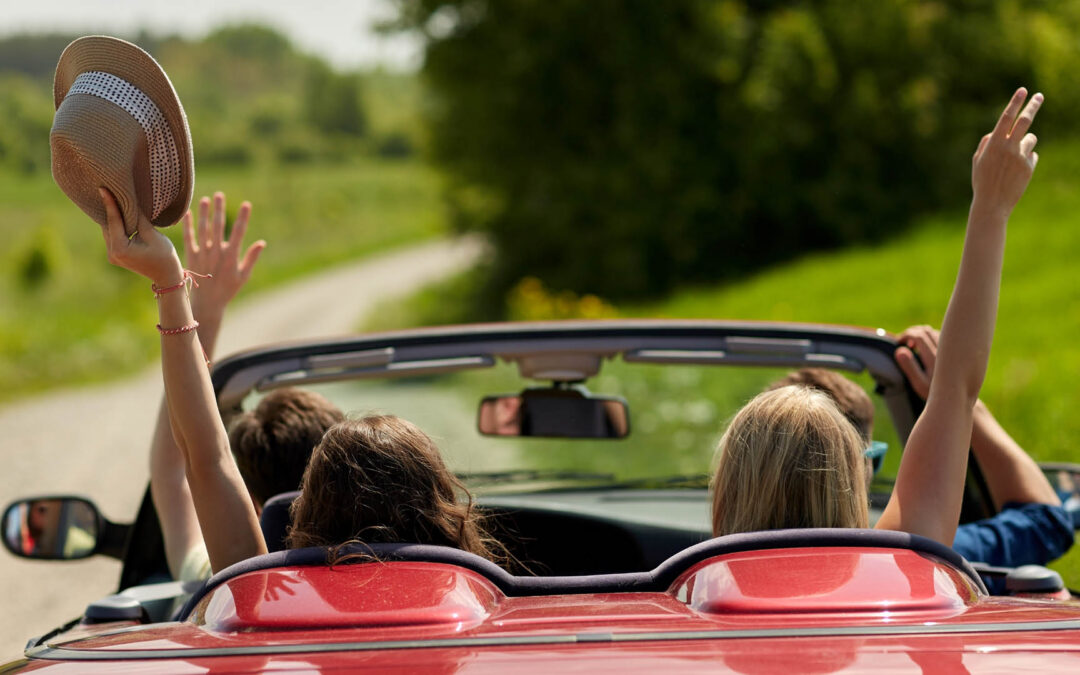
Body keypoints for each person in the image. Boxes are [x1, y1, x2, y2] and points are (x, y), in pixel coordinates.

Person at [100, 191, 502, 576]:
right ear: (444, 508)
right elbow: (204, 458)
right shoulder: (495, 605)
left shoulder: (257, 590)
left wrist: (176, 287)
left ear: (304, 506)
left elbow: (204, 458)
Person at [711, 88, 1044, 549]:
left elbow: (957, 390)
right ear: (852, 479)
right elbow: (957, 388)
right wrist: (991, 206)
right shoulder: (899, 565)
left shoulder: (681, 595)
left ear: (725, 492)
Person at [147, 192, 344, 583]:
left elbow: (175, 471)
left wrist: (202, 312)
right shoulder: (434, 563)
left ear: (251, 499)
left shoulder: (229, 576)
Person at [770, 363, 1074, 568]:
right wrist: (967, 404)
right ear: (863, 467)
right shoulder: (914, 557)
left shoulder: (721, 574)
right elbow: (1046, 523)